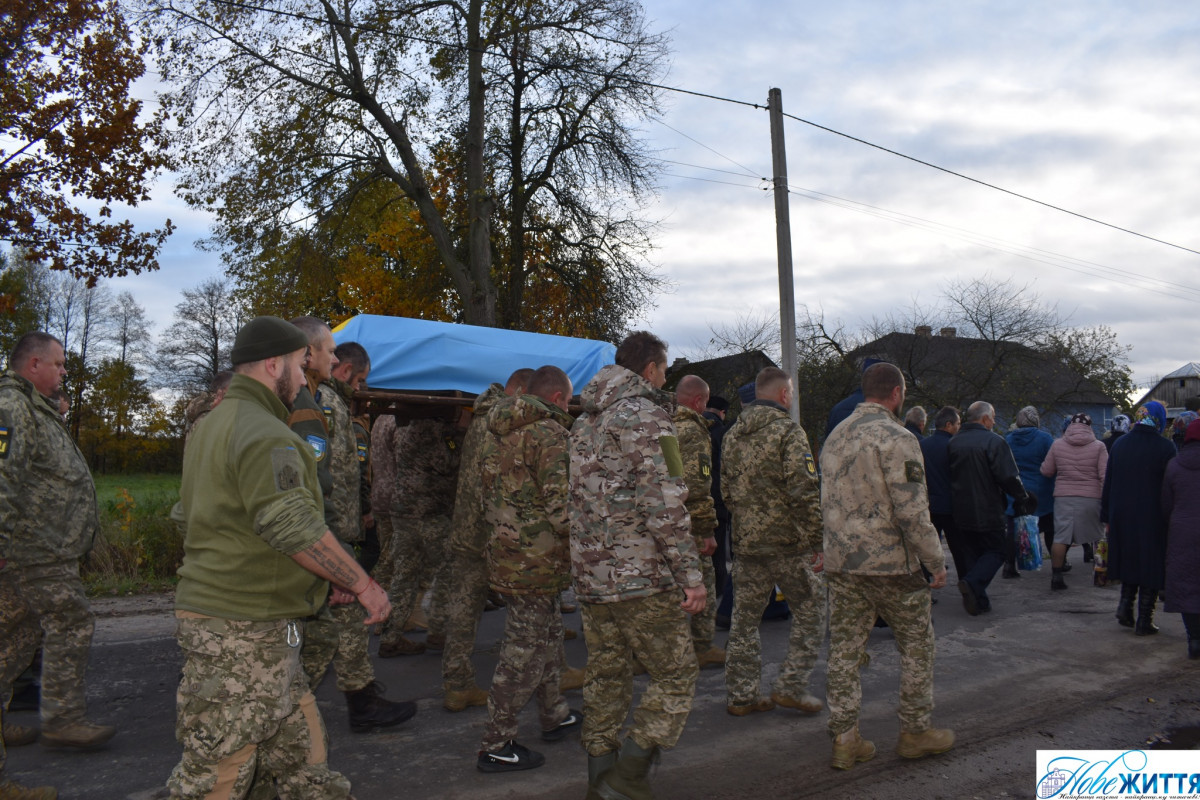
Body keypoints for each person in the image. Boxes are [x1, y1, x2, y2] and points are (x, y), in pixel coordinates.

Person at [168, 316, 391, 799]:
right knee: (216, 779)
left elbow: (191, 517)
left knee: (306, 770)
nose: (305, 370)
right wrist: (361, 583)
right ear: (274, 365)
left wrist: (319, 579)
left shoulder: (212, 424)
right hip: (243, 633)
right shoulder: (267, 432)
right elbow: (295, 527)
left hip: (252, 628)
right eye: (298, 362)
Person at [568, 331, 705, 800]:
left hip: (592, 577)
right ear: (650, 370)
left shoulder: (584, 423)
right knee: (676, 674)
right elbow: (665, 503)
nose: (664, 379)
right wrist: (691, 577)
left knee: (606, 677)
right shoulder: (647, 417)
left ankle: (597, 782)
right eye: (664, 370)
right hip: (640, 576)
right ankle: (626, 779)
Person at [820, 362, 953, 770]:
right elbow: (912, 510)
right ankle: (914, 731)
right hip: (892, 565)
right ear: (896, 393)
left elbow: (822, 501)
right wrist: (935, 561)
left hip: (843, 564)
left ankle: (845, 740)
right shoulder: (900, 438)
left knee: (844, 650)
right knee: (916, 646)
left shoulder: (834, 438)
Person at [1, 332, 113, 800]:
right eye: (60, 364)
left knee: (14, 641)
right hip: (30, 553)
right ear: (33, 364)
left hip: (40, 551)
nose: (65, 372)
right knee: (69, 620)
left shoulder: (33, 406)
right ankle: (63, 719)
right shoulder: (12, 407)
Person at [299, 335, 414, 733]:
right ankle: (286, 710)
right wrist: (333, 550)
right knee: (324, 634)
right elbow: (317, 479)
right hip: (327, 539)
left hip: (336, 536)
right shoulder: (322, 404)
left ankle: (362, 703)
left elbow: (346, 474)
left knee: (343, 626)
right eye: (361, 380)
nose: (362, 388)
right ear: (345, 371)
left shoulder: (332, 403)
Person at [476, 366, 582, 771]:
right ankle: (496, 743)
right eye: (569, 401)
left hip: (507, 554)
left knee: (549, 634)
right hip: (537, 562)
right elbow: (562, 512)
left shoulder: (495, 432)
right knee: (522, 654)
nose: (569, 408)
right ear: (557, 398)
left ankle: (555, 713)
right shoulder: (551, 436)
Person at [721, 367, 824, 717]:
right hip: (787, 544)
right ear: (783, 395)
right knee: (811, 610)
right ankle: (791, 686)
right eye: (791, 392)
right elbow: (804, 490)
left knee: (744, 621)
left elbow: (726, 492)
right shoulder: (788, 432)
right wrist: (818, 541)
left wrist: (747, 525)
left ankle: (742, 695)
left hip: (747, 545)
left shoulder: (733, 435)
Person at [441, 368, 539, 712]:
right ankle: (537, 682)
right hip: (498, 532)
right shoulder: (506, 421)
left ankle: (456, 685)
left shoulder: (479, 416)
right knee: (532, 608)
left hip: (468, 528)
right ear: (521, 391)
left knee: (463, 611)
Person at [378, 413, 465, 657]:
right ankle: (438, 628)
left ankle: (390, 635)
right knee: (449, 566)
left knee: (404, 575)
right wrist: (458, 434)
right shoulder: (432, 428)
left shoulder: (411, 424)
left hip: (404, 511)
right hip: (428, 513)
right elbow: (448, 462)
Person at [948, 401, 1035, 615]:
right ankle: (972, 583)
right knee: (997, 550)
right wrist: (1022, 497)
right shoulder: (994, 442)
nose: (994, 421)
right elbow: (1008, 476)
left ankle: (979, 600)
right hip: (988, 509)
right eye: (993, 417)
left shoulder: (953, 442)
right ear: (985, 419)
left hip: (960, 508)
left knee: (971, 553)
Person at [1103, 401, 1176, 635]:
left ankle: (1125, 607)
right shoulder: (1165, 447)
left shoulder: (1120, 444)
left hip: (1121, 513)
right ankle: (1144, 619)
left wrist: (1106, 515)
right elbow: (1169, 486)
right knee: (1151, 564)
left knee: (1129, 558)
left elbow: (1109, 482)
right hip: (1152, 514)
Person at [673, 375, 725, 669]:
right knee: (702, 579)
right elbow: (697, 485)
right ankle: (702, 645)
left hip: (664, 521)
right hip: (689, 525)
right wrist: (707, 530)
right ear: (699, 402)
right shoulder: (694, 431)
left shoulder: (662, 424)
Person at [1040, 413, 1107, 591]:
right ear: (1089, 426)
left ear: (1070, 425)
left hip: (1064, 497)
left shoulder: (1057, 444)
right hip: (1091, 498)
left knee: (1061, 537)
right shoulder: (1099, 446)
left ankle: (1056, 576)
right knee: (1098, 536)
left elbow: (1047, 471)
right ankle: (1101, 575)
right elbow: (1104, 476)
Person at [1161, 417, 1200, 659]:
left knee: (1187, 584)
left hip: (1182, 531)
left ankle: (1194, 639)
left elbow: (1166, 504)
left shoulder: (1174, 465)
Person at [1003, 406, 1055, 579]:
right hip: (1042, 492)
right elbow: (1052, 464)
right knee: (1049, 529)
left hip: (1016, 491)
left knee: (1012, 529)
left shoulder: (1008, 440)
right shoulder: (1045, 439)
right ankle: (1057, 563)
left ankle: (1009, 565)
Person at [920, 406, 965, 577]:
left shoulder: (922, 445)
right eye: (958, 423)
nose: (959, 427)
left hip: (929, 505)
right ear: (949, 425)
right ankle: (967, 586)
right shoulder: (954, 446)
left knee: (928, 550)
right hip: (952, 506)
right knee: (960, 551)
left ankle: (925, 586)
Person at [703, 396, 732, 597]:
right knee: (717, 555)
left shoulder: (689, 426)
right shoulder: (721, 433)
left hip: (686, 500)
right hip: (716, 500)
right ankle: (719, 595)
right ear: (722, 412)